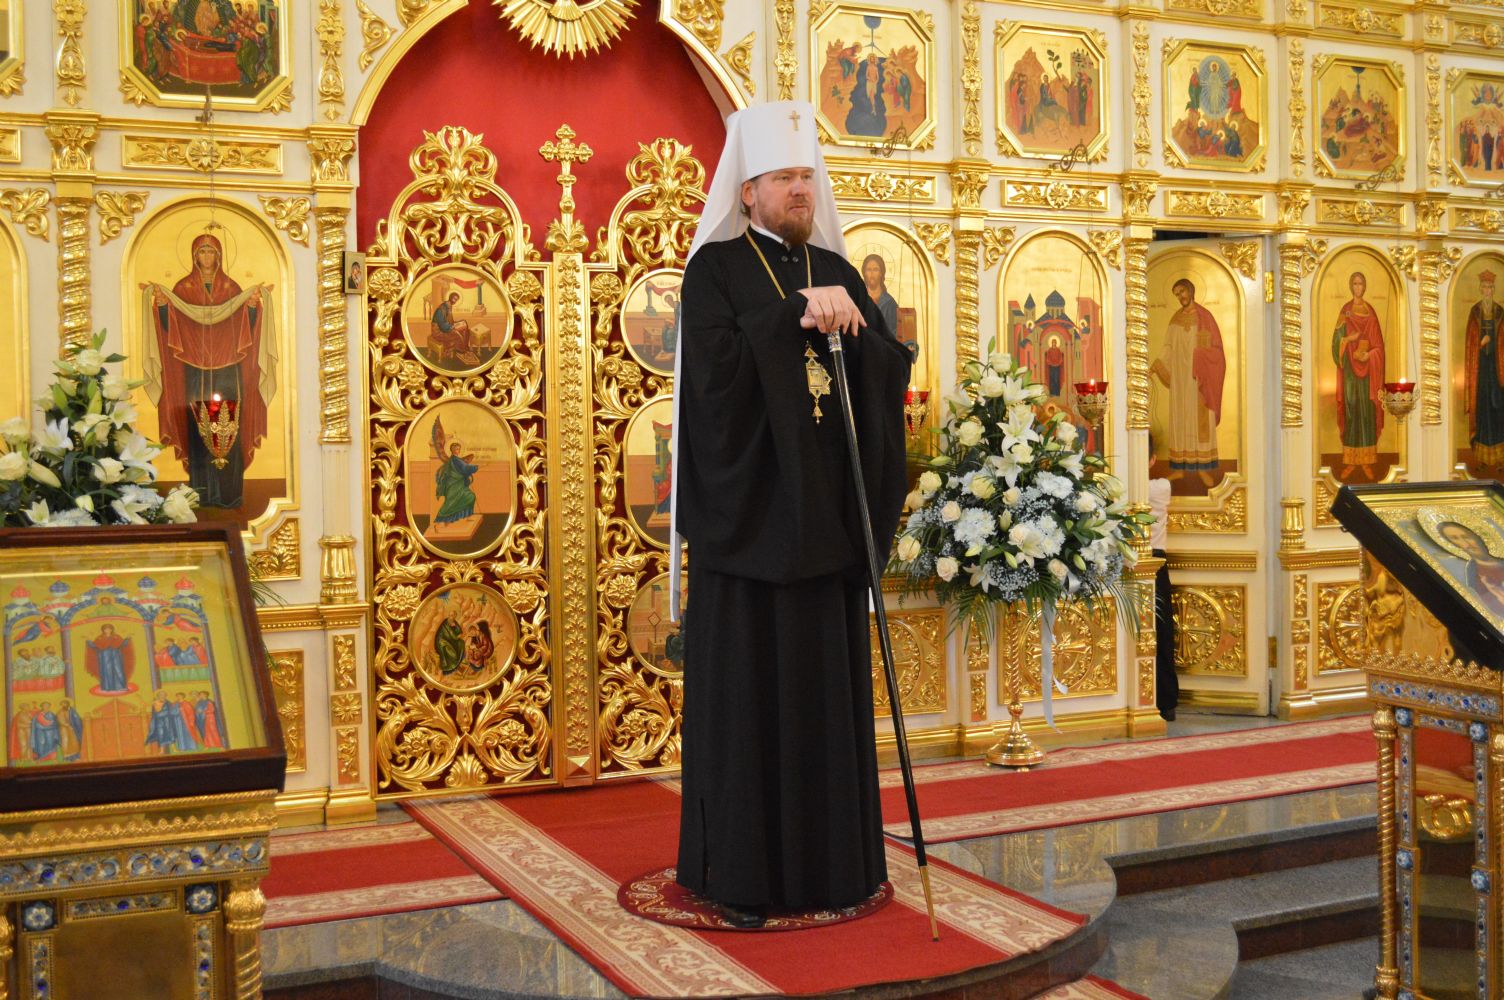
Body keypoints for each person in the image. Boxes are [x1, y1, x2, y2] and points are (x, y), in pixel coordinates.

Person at [670, 100, 911, 925]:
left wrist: (866, 341)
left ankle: (837, 869)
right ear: (748, 191)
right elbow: (712, 383)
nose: (801, 191)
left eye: (807, 177)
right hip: (750, 538)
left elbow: (882, 377)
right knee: (750, 714)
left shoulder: (836, 267)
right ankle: (740, 876)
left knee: (823, 711)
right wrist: (792, 316)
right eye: (784, 179)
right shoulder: (714, 271)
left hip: (824, 536)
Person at [142, 232, 276, 509]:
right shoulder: (183, 289)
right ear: (194, 256)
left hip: (229, 368)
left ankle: (230, 494)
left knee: (231, 425)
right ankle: (202, 493)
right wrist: (164, 306)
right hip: (194, 369)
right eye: (202, 251)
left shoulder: (231, 288)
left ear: (219, 256)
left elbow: (245, 327)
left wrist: (251, 307)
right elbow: (171, 328)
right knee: (198, 426)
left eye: (211, 251)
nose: (206, 257)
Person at [1150, 279, 1227, 489]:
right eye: (1176, 294)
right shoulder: (1175, 319)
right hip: (1180, 380)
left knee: (1199, 420)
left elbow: (1217, 352)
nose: (1180, 296)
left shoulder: (1205, 318)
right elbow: (1168, 347)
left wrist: (1202, 357)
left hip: (1199, 380)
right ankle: (1179, 468)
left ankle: (1203, 468)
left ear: (1191, 291)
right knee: (1181, 418)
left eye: (1182, 291)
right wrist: (1156, 365)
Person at [1332, 271, 1386, 481]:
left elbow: (1379, 347)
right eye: (1354, 283)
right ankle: (1350, 460)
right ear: (1350, 286)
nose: (1358, 287)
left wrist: (1369, 355)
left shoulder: (1371, 313)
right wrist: (1348, 339)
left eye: (1361, 284)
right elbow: (1335, 343)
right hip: (1349, 372)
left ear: (1364, 287)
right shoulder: (1345, 312)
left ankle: (1366, 461)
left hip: (1368, 374)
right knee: (1351, 410)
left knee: (1367, 412)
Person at [1147, 439, 1178, 722]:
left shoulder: (1154, 488)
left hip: (1137, 560)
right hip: (1156, 561)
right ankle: (1166, 701)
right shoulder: (1161, 487)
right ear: (1153, 459)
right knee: (1161, 630)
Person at [1465, 270, 1504, 469]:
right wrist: (1481, 344)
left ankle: (1500, 458)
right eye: (1485, 287)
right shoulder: (1475, 312)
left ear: (1493, 290)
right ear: (1481, 289)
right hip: (1480, 372)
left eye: (1490, 287)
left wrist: (1494, 343)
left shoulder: (1500, 312)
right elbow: (1470, 344)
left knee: (1498, 410)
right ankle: (1481, 458)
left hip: (1497, 372)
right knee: (1482, 412)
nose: (1488, 290)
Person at [1437, 521, 1504, 618]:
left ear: (1477, 536)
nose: (1466, 543)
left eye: (1467, 537)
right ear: (1452, 543)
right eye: (1455, 538)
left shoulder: (1501, 560)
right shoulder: (1473, 572)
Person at [860, 253, 902, 351]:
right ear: (864, 273)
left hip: (885, 351)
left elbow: (896, 332)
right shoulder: (859, 300)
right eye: (868, 270)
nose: (871, 274)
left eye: (875, 269)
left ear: (881, 273)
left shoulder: (890, 303)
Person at [85, 624, 134, 694]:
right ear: (103, 630)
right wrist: (88, 641)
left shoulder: (116, 637)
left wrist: (127, 639)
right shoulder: (100, 638)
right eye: (106, 629)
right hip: (105, 656)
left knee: (118, 670)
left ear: (111, 629)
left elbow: (122, 644)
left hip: (116, 655)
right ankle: (108, 687)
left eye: (109, 629)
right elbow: (95, 646)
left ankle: (121, 687)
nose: (107, 630)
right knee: (107, 670)